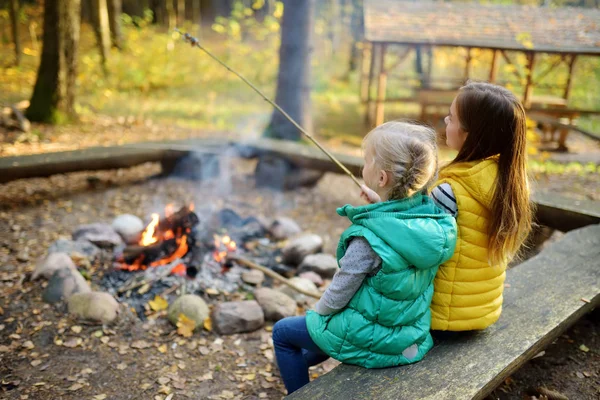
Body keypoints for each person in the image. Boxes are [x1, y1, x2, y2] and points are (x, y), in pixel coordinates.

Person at [272, 121, 457, 394]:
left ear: (381, 179)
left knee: (284, 333)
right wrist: (380, 203)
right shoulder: (432, 219)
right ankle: (305, 358)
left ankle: (300, 394)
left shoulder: (367, 240)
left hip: (376, 340)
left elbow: (337, 296)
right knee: (324, 330)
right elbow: (397, 222)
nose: (363, 165)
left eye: (367, 160)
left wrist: (317, 313)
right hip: (409, 334)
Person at [429, 82, 533, 331]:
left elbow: (422, 249)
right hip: (482, 312)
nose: (446, 120)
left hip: (441, 318)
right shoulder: (511, 184)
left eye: (452, 118)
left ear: (469, 133)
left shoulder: (449, 191)